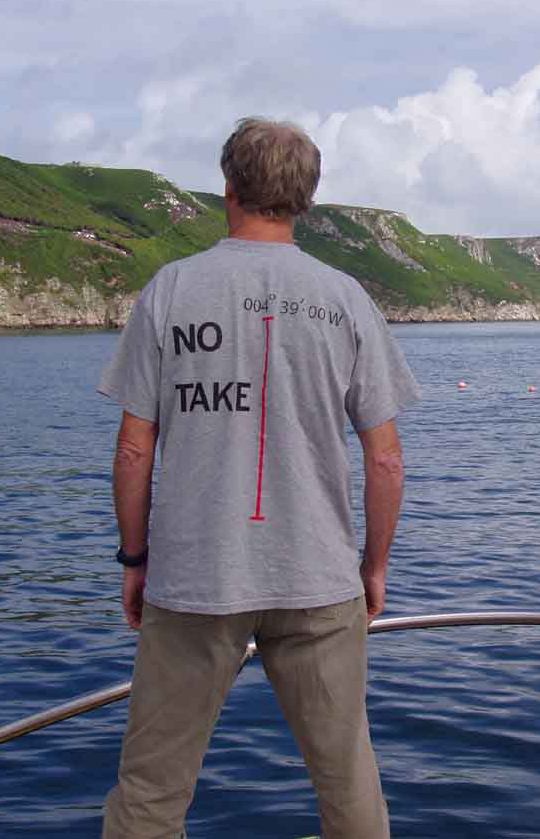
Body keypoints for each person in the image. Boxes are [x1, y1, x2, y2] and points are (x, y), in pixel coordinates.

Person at [97, 117, 421, 839]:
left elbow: (133, 450)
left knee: (151, 792)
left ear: (229, 187)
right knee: (347, 782)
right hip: (320, 578)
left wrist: (134, 558)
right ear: (305, 197)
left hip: (194, 579)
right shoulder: (345, 298)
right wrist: (373, 567)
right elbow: (386, 459)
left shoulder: (172, 289)